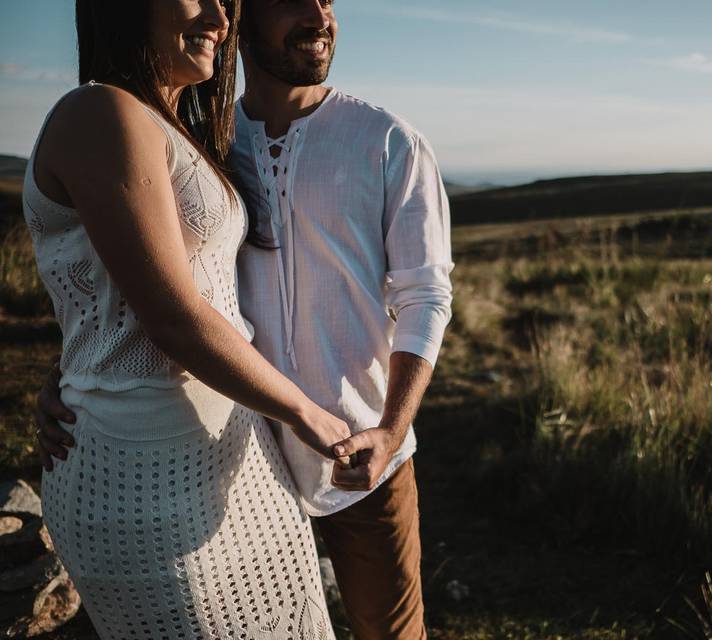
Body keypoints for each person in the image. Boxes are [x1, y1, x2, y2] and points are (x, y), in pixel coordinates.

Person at [35, 0, 455, 638]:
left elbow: (426, 294)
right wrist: (73, 370)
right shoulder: (207, 138)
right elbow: (145, 286)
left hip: (358, 452)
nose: (318, 14)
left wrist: (392, 430)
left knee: (391, 632)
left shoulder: (388, 140)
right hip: (239, 454)